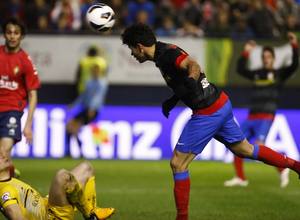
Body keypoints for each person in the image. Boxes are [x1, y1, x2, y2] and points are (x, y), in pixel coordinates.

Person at [121, 24, 300, 220]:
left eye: (131, 49)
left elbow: (194, 66)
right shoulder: (162, 53)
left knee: (178, 164)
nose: (132, 54)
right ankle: (295, 165)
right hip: (220, 102)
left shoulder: (167, 55)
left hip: (208, 111)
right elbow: (183, 78)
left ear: (139, 46)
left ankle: (182, 218)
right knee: (246, 149)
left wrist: (190, 80)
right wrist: (174, 99)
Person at [224, 33, 299, 188]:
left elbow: (293, 65)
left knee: (259, 144)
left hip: (266, 115)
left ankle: (282, 167)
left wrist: (294, 46)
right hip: (252, 115)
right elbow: (240, 69)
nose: (266, 59)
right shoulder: (257, 74)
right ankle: (240, 178)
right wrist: (246, 51)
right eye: (264, 56)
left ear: (273, 58)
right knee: (236, 143)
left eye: (268, 56)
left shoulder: (279, 74)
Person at [0, 156, 115, 219]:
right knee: (62, 176)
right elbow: (13, 212)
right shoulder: (5, 191)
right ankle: (90, 213)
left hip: (49, 205)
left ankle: (92, 213)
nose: (3, 156)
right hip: (51, 216)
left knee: (86, 168)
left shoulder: (9, 180)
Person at [0, 18, 40, 177]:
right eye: (9, 32)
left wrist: (28, 125)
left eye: (16, 33)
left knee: (3, 151)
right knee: (3, 157)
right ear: (4, 34)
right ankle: (9, 173)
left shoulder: (25, 62)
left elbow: (33, 95)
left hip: (11, 111)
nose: (12, 36)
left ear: (21, 36)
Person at [66, 50, 108, 157]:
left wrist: (92, 109)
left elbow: (98, 97)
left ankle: (76, 151)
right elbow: (83, 96)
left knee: (73, 127)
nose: (95, 73)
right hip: (86, 109)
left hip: (93, 110)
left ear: (100, 71)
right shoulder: (89, 82)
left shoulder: (102, 83)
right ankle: (75, 151)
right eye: (94, 71)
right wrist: (73, 104)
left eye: (97, 71)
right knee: (70, 127)